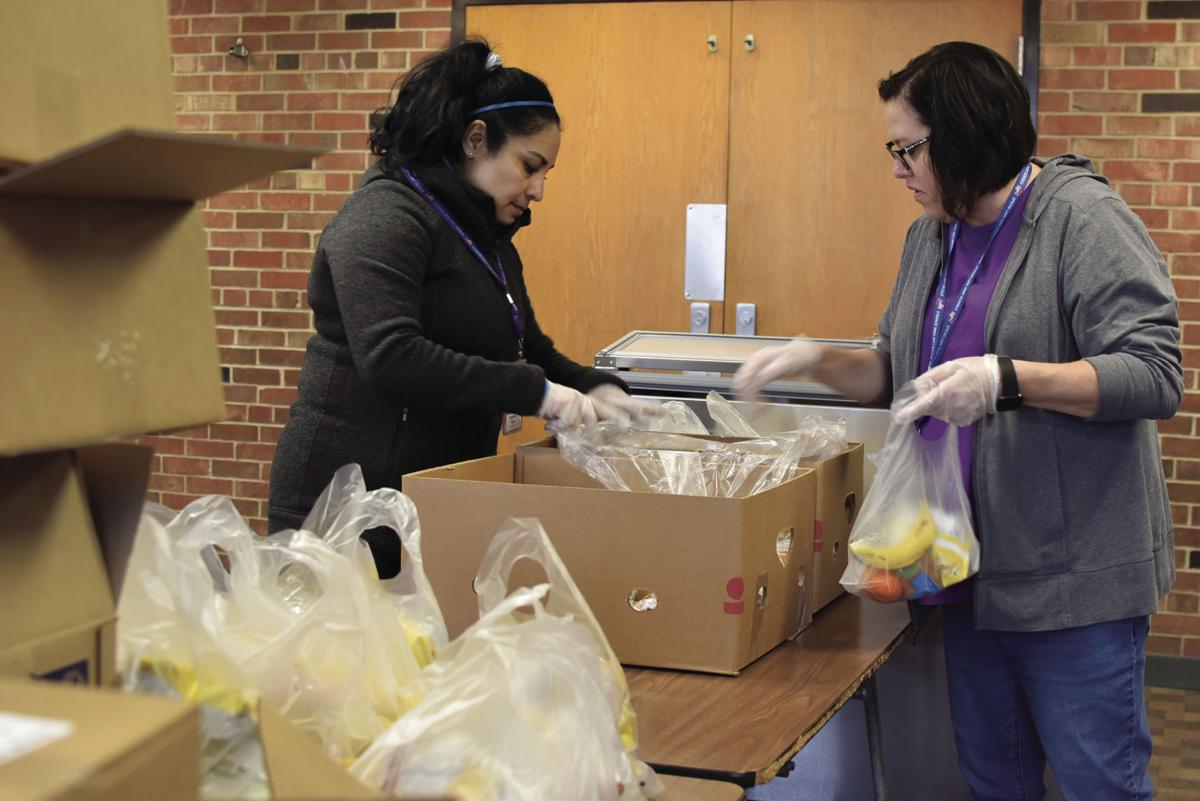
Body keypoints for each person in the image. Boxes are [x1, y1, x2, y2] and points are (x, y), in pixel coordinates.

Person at [734, 41, 1180, 801]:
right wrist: (815, 359)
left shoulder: (1081, 219)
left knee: (1097, 782)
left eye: (909, 149)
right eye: (893, 148)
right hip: (967, 571)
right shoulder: (928, 237)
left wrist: (1007, 378)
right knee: (994, 780)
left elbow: (1153, 372)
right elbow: (895, 370)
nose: (897, 168)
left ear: (967, 133)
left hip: (1071, 585)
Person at [269, 40, 651, 565]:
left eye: (546, 174)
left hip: (437, 491)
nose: (538, 190)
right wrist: (537, 393)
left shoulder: (486, 237)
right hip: (348, 500)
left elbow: (526, 347)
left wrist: (599, 388)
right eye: (529, 165)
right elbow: (391, 354)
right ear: (476, 139)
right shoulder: (386, 215)